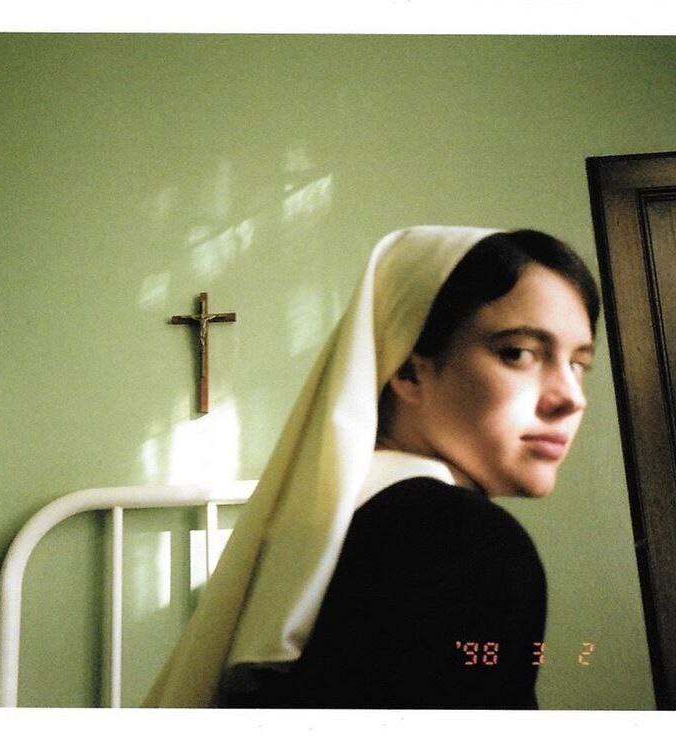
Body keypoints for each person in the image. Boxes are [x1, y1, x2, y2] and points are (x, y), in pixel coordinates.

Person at [144, 225, 599, 710]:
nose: (571, 398)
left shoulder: (323, 533)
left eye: (578, 363)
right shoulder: (465, 541)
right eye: (519, 353)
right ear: (408, 368)